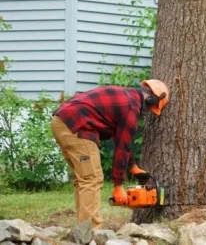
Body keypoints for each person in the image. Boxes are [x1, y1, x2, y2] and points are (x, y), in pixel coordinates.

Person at [50, 79, 169, 229]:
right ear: (151, 99)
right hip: (77, 125)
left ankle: (82, 229)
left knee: (84, 179)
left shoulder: (127, 97)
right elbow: (121, 149)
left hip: (62, 121)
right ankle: (90, 231)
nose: (150, 111)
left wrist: (133, 167)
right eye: (153, 107)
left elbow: (122, 141)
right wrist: (118, 186)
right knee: (91, 179)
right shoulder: (132, 108)